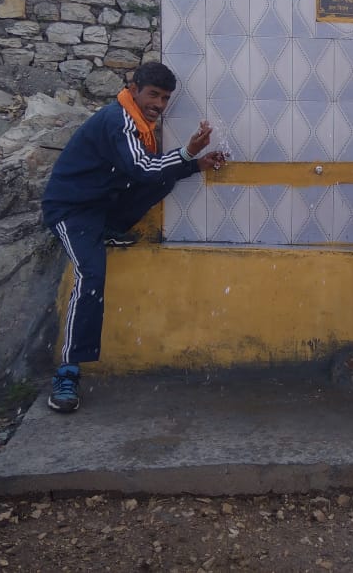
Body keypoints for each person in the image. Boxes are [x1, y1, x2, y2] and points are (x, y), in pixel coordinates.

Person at [41, 62, 227, 413]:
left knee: (164, 177)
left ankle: (111, 230)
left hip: (102, 206)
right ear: (135, 89)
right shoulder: (120, 120)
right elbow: (142, 167)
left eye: (166, 98)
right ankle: (67, 373)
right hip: (73, 210)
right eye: (154, 95)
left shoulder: (139, 123)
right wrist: (188, 153)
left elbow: (150, 170)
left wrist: (195, 164)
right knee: (90, 276)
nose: (159, 103)